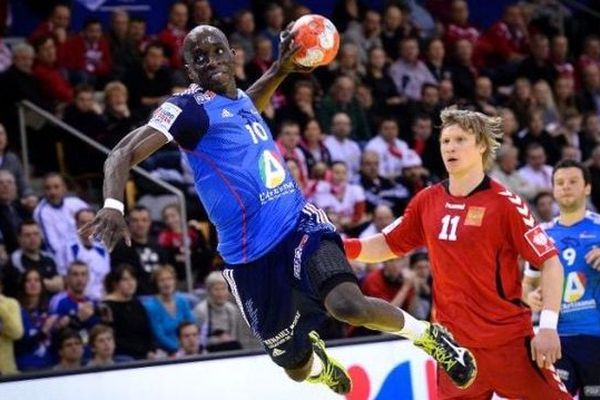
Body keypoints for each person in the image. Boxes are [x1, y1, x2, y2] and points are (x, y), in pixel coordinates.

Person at [82, 25, 476, 394]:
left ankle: (428, 335)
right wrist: (114, 204)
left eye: (219, 51)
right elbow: (121, 153)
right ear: (190, 70)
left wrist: (280, 68)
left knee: (348, 305)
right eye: (200, 58)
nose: (212, 61)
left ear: (233, 55)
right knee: (294, 366)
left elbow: (248, 104)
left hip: (295, 224)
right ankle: (319, 365)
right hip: (247, 257)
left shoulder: (237, 101)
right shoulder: (187, 109)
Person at [345, 108, 572, 399]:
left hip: (508, 345)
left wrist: (548, 327)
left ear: (481, 146)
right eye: (445, 141)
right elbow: (386, 245)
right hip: (455, 349)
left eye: (460, 140)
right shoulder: (427, 201)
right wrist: (340, 247)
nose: (450, 147)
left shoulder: (505, 204)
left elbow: (550, 262)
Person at [522, 160, 600, 398]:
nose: (566, 187)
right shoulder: (541, 234)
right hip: (556, 340)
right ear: (553, 189)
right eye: (560, 183)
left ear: (587, 188)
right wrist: (530, 297)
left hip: (595, 337)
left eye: (573, 181)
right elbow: (527, 286)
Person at [142, 265, 194, 354]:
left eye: (169, 279)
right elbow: (159, 335)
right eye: (162, 280)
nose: (167, 283)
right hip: (164, 351)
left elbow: (192, 324)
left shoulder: (182, 300)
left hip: (187, 347)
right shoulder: (150, 306)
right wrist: (178, 349)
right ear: (156, 284)